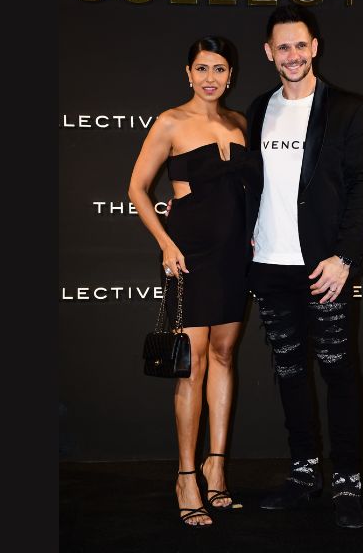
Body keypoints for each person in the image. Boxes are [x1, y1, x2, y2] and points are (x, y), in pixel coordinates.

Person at [245, 4, 363, 529]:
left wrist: (345, 258)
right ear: (269, 52)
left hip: (325, 269)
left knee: (339, 372)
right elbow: (253, 182)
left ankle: (347, 481)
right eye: (283, 46)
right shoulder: (259, 108)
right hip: (269, 266)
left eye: (301, 44)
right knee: (290, 374)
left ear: (315, 47)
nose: (293, 55)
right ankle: (304, 475)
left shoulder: (348, 109)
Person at [128, 36, 262, 527]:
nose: (211, 77)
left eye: (219, 69)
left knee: (225, 356)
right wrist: (166, 244)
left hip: (233, 256)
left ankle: (216, 467)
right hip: (189, 255)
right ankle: (186, 475)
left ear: (231, 75)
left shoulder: (240, 123)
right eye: (202, 68)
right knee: (193, 365)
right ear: (188, 73)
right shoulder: (170, 122)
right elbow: (137, 188)